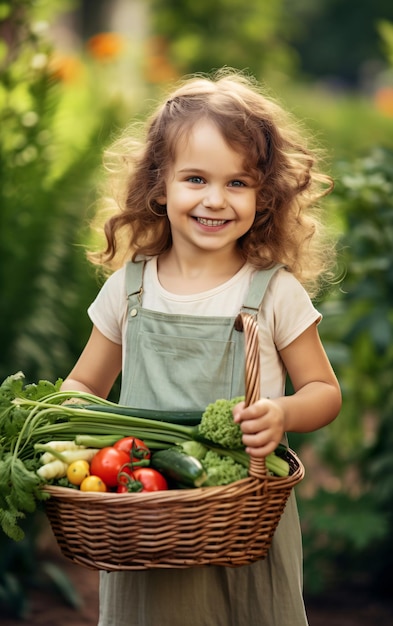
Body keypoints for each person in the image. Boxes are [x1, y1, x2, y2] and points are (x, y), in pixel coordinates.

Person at [60, 68, 342, 626]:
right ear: (159, 185)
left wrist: (283, 412)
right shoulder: (130, 288)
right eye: (195, 179)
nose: (215, 199)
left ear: (265, 197)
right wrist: (64, 420)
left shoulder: (272, 291)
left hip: (245, 516)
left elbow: (324, 392)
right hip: (148, 514)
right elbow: (83, 385)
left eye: (237, 183)